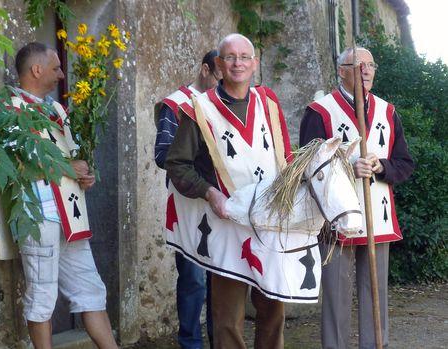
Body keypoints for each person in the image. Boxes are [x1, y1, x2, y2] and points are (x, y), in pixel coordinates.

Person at [165, 33, 294, 349]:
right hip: (226, 224)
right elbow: (177, 165)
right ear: (219, 65)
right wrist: (211, 193)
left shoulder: (269, 102)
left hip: (270, 222)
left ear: (255, 63)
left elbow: (286, 157)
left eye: (244, 57)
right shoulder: (199, 109)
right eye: (230, 57)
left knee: (273, 310)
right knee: (227, 321)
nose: (238, 63)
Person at [0, 42, 118, 349]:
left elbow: (68, 163)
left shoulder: (56, 110)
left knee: (91, 290)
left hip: (71, 216)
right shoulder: (9, 110)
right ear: (37, 70)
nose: (62, 75)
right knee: (41, 297)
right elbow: (14, 167)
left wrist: (82, 177)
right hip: (38, 216)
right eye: (56, 68)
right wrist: (68, 167)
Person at [299, 47, 414, 349]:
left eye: (370, 65)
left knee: (375, 294)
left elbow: (404, 163)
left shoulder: (388, 112)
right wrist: (346, 166)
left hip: (378, 215)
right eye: (357, 65)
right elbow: (306, 166)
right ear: (341, 71)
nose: (365, 70)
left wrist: (381, 166)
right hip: (337, 218)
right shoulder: (320, 111)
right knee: (336, 296)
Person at [154, 49, 221, 349]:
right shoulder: (177, 104)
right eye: (219, 78)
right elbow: (162, 154)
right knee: (194, 279)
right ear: (205, 70)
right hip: (187, 204)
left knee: (222, 278)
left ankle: (220, 342)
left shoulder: (225, 105)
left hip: (222, 205)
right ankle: (190, 344)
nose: (224, 86)